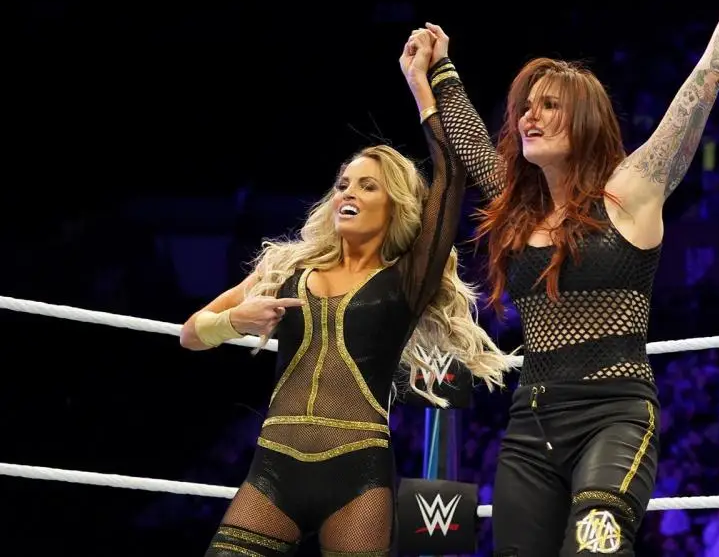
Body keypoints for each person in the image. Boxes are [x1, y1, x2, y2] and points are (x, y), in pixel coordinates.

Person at [417, 0, 719, 557]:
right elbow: (470, 142)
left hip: (615, 417)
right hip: (530, 426)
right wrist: (437, 70)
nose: (529, 117)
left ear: (584, 119)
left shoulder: (632, 189)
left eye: (549, 105)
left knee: (596, 548)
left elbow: (701, 88)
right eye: (526, 107)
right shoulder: (521, 207)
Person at [179, 30, 510, 557]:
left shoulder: (408, 279)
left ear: (395, 205)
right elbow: (190, 335)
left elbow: (450, 175)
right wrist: (233, 322)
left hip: (359, 476)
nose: (347, 193)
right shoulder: (286, 266)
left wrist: (419, 84)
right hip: (273, 468)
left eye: (366, 185)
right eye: (342, 184)